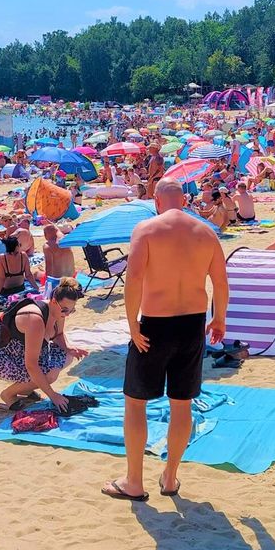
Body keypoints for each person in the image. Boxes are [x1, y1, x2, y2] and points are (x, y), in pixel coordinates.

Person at [103, 179, 229, 502]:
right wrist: (219, 318)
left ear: (156, 200)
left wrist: (132, 325)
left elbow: (133, 281)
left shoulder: (146, 230)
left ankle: (134, 481)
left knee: (135, 403)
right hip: (192, 325)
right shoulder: (206, 233)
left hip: (154, 326)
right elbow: (221, 282)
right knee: (181, 405)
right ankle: (170, 477)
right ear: (184, 200)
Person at [0, 277, 86, 412]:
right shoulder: (35, 319)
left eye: (71, 311)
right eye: (65, 310)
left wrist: (69, 348)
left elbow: (58, 335)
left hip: (31, 351)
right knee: (50, 375)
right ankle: (8, 395)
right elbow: (31, 364)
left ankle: (27, 389)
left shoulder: (58, 313)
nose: (66, 315)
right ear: (54, 301)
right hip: (8, 356)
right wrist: (53, 395)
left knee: (67, 355)